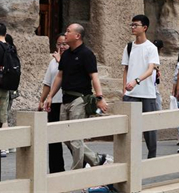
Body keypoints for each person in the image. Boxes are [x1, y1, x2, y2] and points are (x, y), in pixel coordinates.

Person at [44, 23, 111, 169]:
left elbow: (94, 77)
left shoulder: (87, 54)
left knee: (75, 138)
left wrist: (100, 98)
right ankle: (96, 160)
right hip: (65, 99)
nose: (65, 34)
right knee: (65, 137)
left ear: (77, 36)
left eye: (68, 31)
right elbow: (59, 77)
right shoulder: (66, 55)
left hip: (79, 100)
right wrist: (50, 96)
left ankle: (76, 173)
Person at [121, 15, 160, 159]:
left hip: (147, 93)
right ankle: (131, 158)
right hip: (130, 94)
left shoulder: (151, 48)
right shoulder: (129, 46)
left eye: (135, 25)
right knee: (131, 128)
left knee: (149, 129)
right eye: (131, 25)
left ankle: (152, 158)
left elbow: (151, 70)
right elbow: (125, 69)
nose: (133, 28)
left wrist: (136, 81)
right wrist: (124, 89)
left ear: (144, 28)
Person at [39, 34, 69, 173]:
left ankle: (88, 162)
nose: (61, 47)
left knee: (70, 139)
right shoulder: (53, 61)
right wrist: (42, 100)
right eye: (59, 44)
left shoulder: (72, 59)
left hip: (68, 103)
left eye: (64, 44)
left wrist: (61, 61)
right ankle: (56, 170)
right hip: (54, 103)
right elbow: (47, 83)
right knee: (52, 139)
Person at [152, 39, 164, 110]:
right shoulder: (151, 54)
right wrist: (155, 68)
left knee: (158, 99)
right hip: (151, 82)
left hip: (154, 82)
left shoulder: (157, 56)